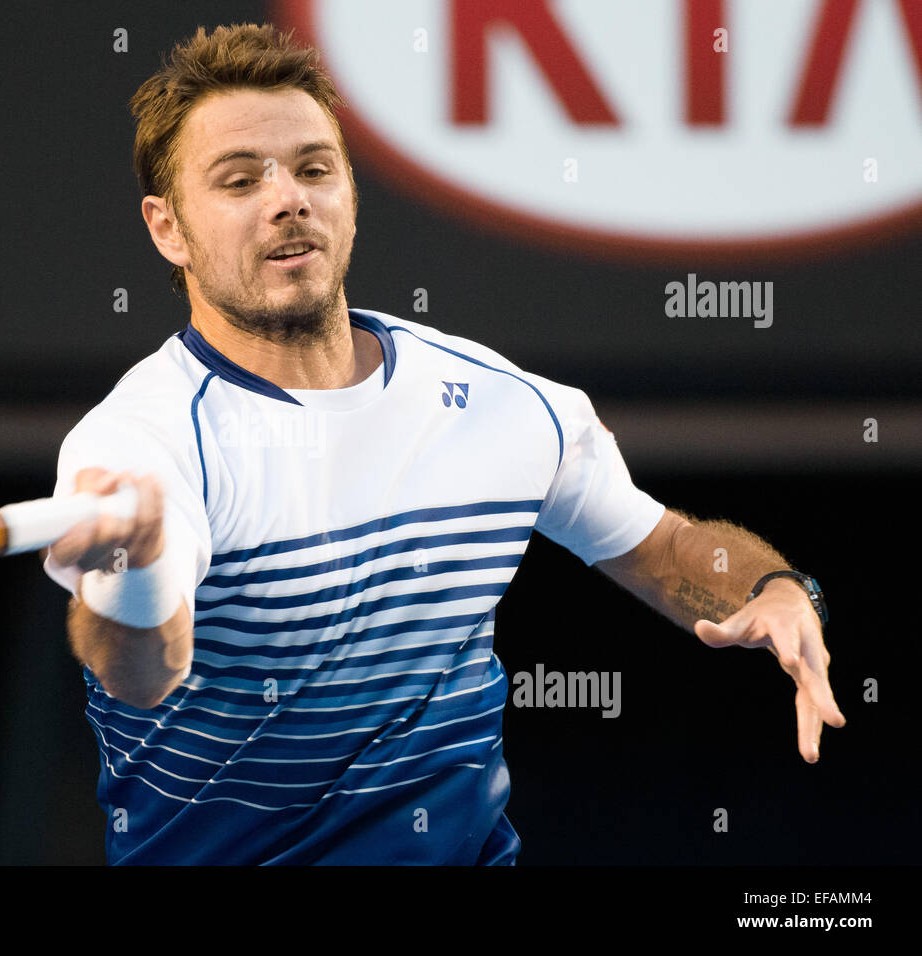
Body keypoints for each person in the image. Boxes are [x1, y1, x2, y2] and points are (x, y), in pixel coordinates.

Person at [42, 23, 843, 865]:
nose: (289, 199)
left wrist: (780, 588)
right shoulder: (146, 437)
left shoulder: (501, 404)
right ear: (167, 229)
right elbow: (137, 671)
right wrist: (129, 579)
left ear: (349, 193)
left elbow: (669, 547)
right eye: (240, 180)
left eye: (315, 169)